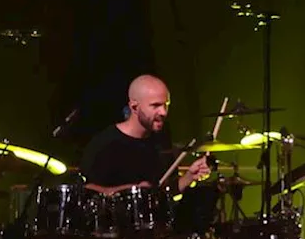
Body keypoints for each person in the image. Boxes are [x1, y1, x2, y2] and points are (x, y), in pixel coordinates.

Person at [80, 74, 210, 194]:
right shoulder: (105, 143)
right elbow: (86, 189)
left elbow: (164, 194)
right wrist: (131, 191)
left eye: (166, 105)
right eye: (156, 105)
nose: (163, 112)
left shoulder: (161, 140)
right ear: (134, 107)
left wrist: (189, 177)